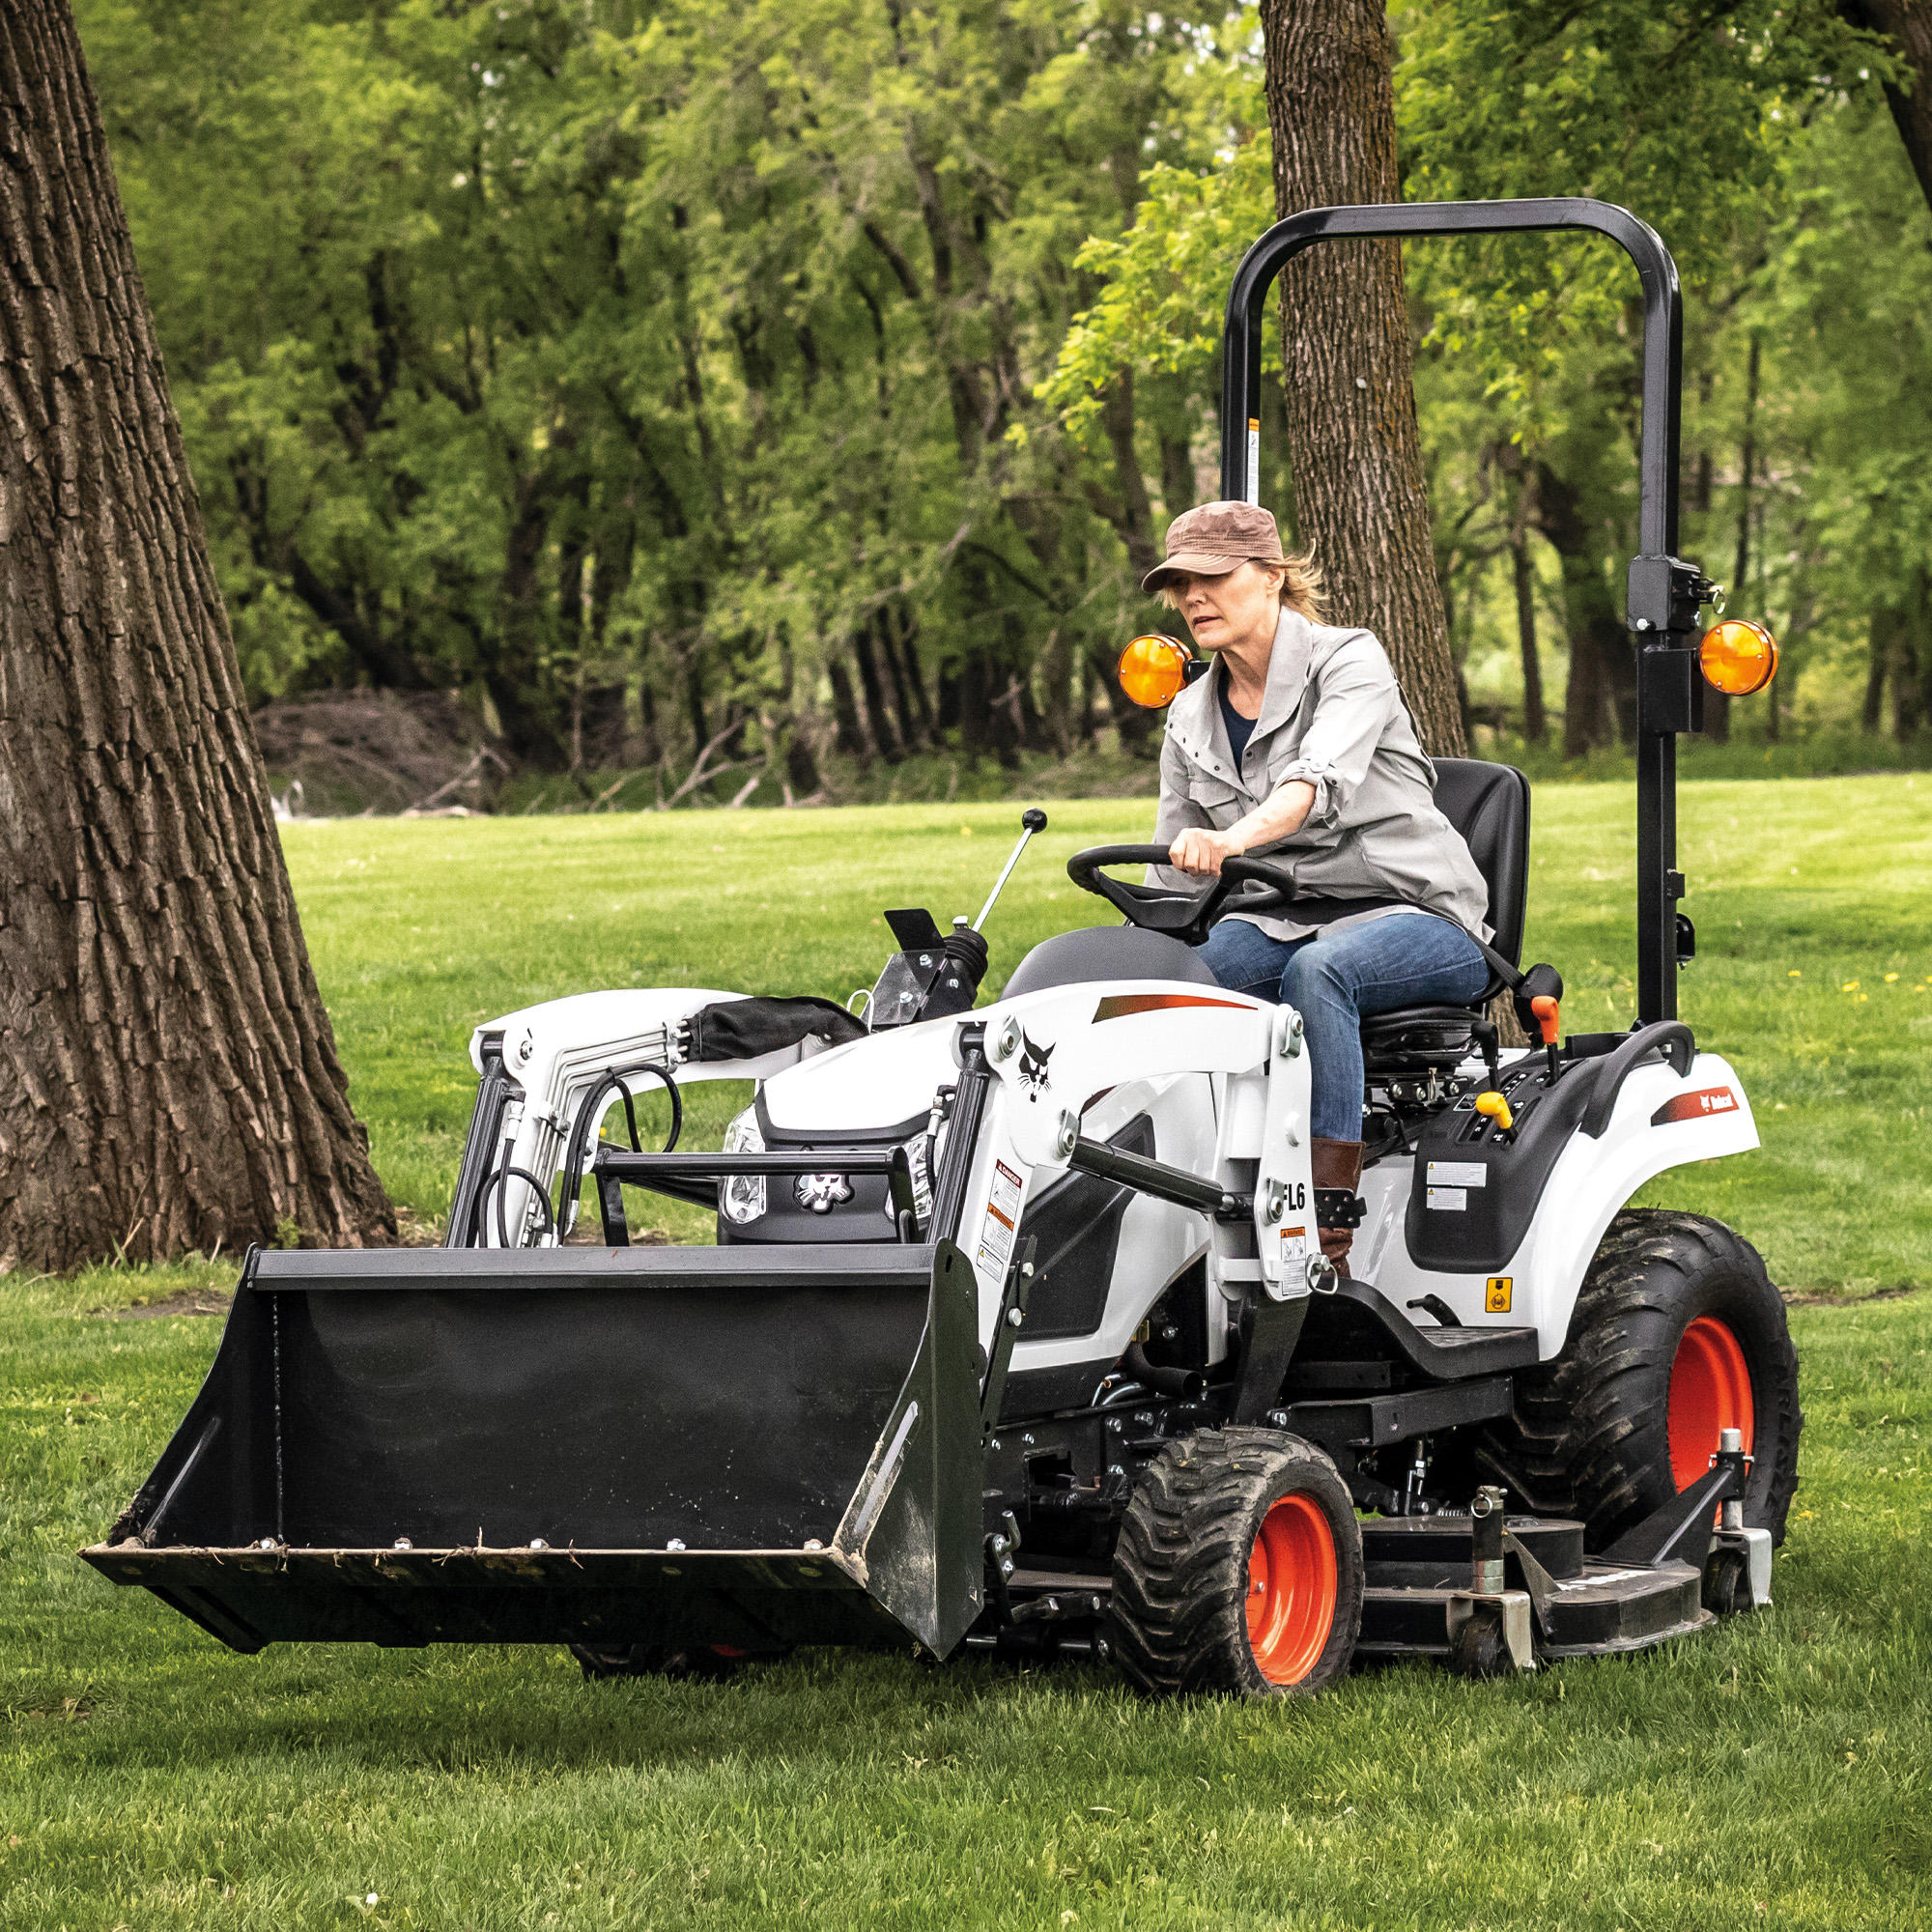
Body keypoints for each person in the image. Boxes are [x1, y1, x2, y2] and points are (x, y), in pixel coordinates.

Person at [1143, 500, 1492, 1276]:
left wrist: (1234, 840)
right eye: (1179, 583)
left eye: (1213, 576)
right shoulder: (1189, 717)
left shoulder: (1349, 660)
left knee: (1320, 973)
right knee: (1187, 978)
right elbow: (1169, 868)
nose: (1194, 597)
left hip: (1418, 913)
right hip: (1283, 917)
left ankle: (1324, 1219)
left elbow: (1316, 778)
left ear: (1270, 578)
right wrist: (1142, 954)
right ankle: (1169, 1195)